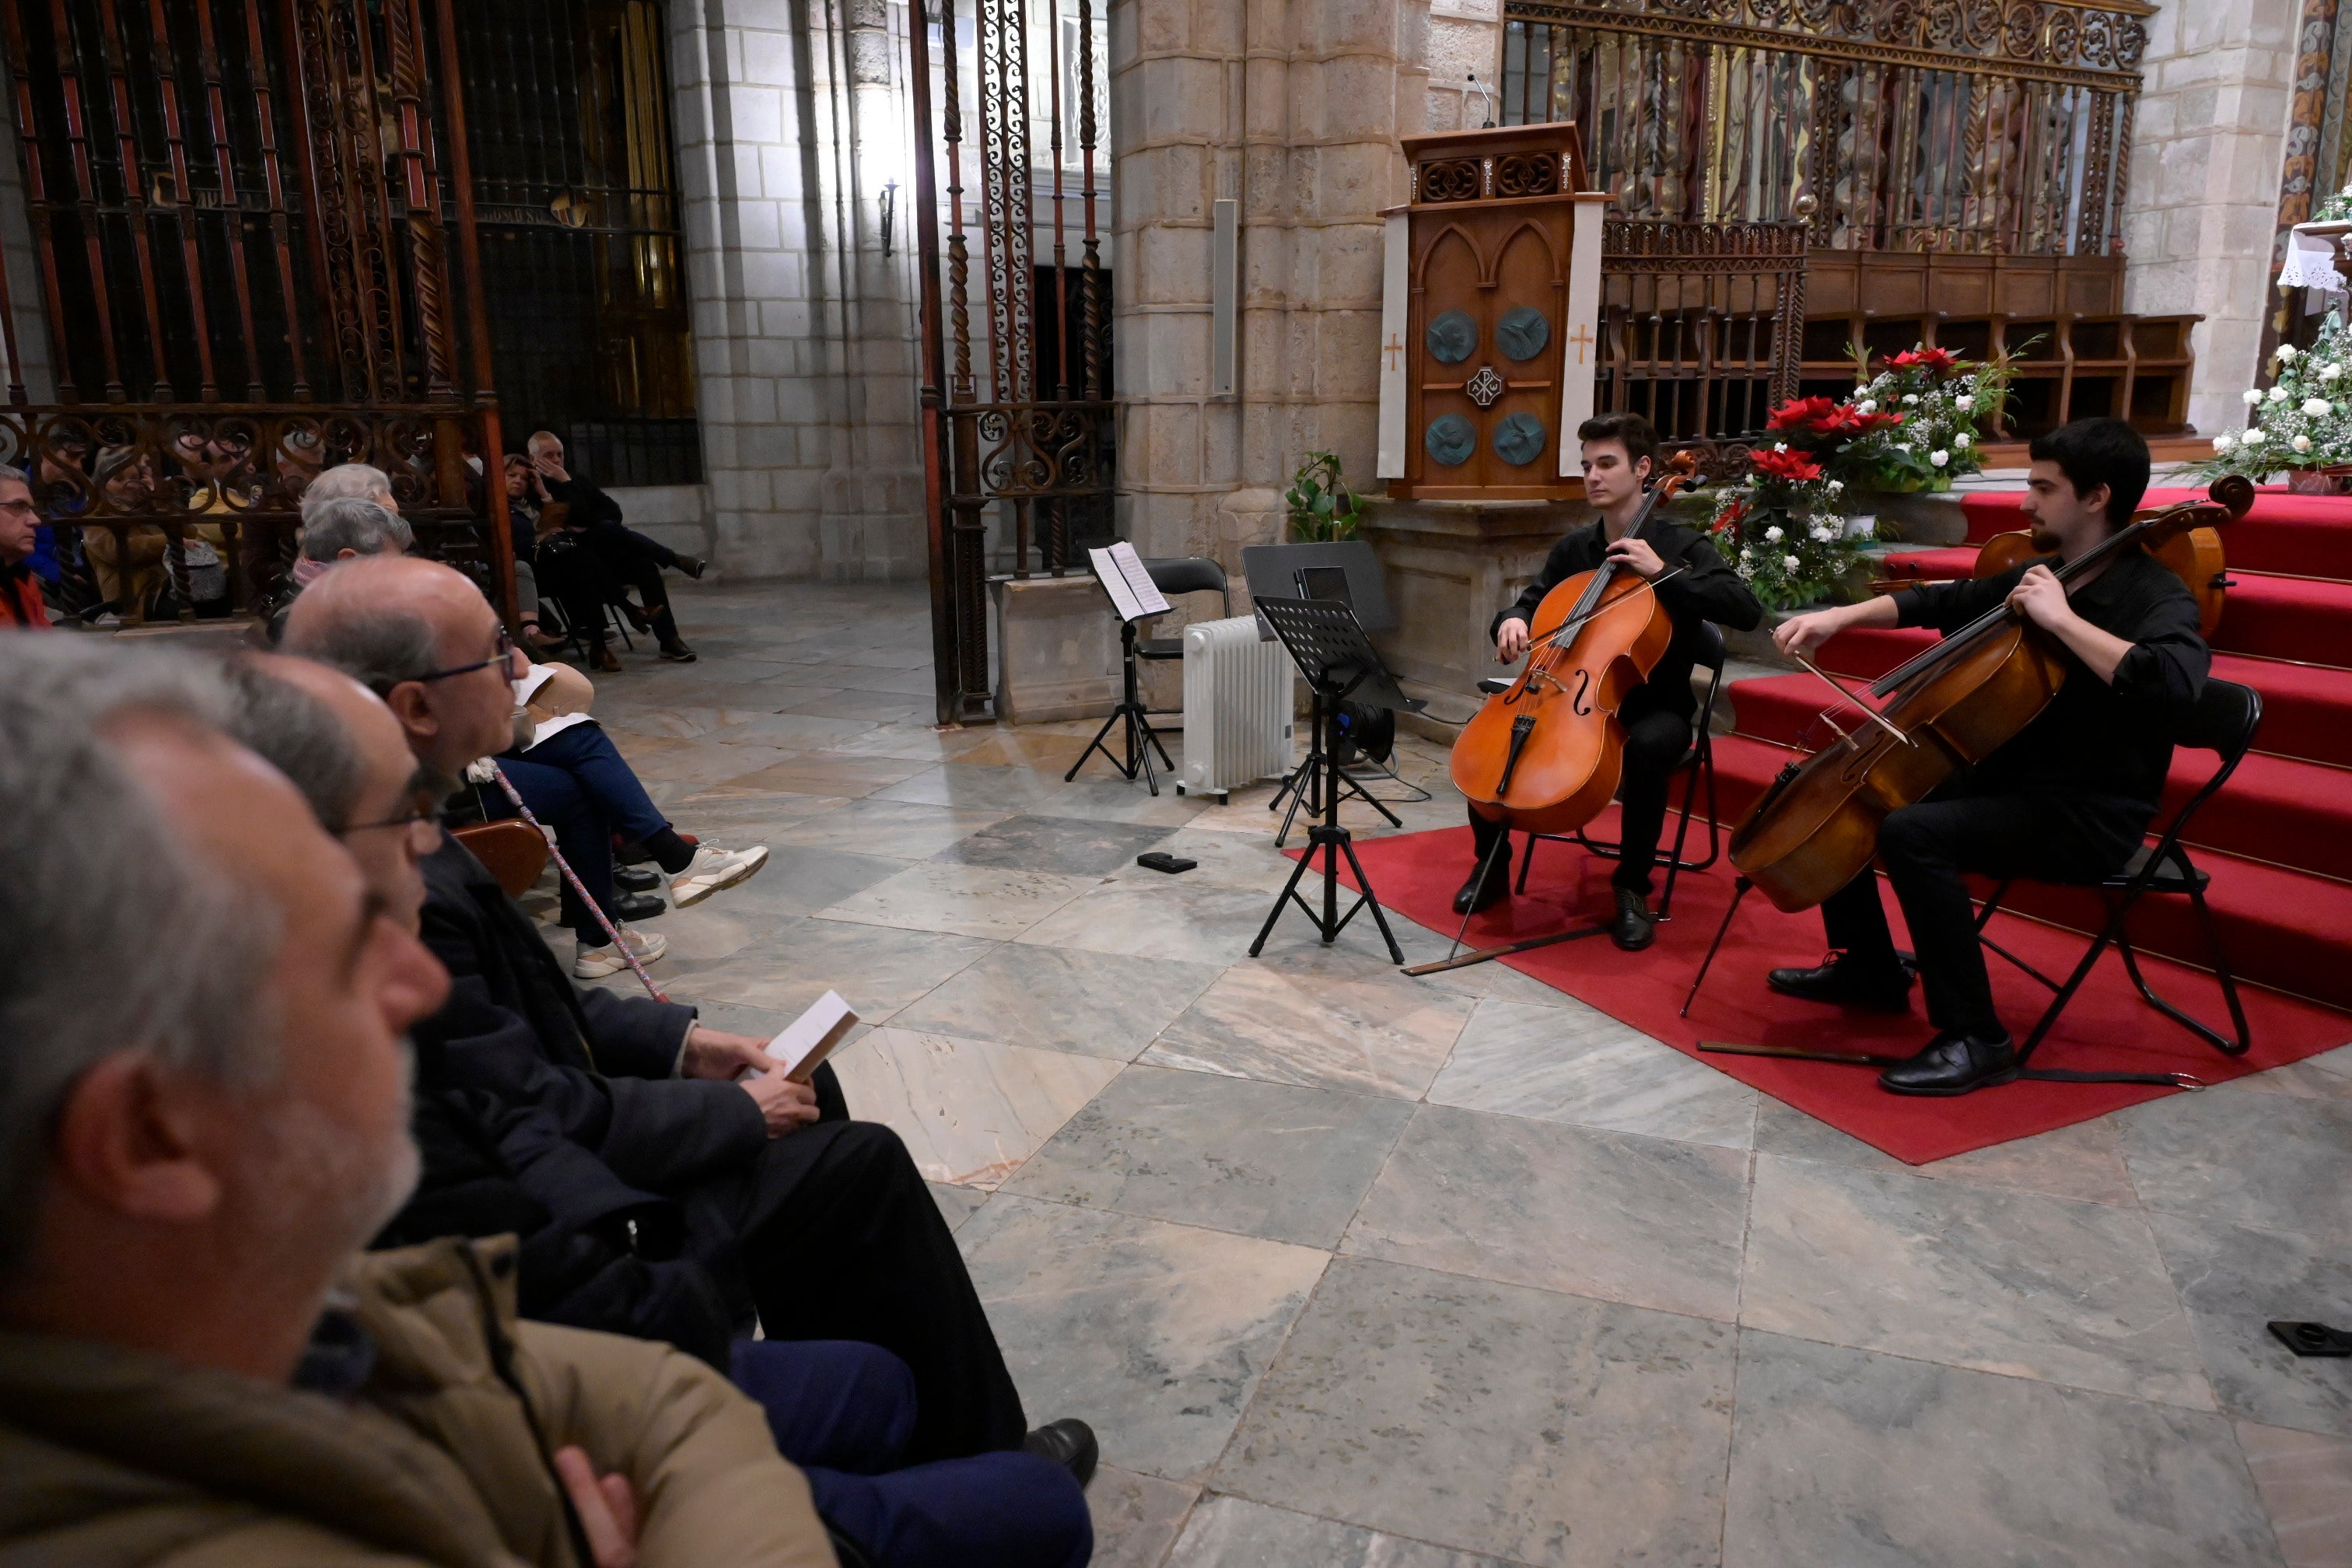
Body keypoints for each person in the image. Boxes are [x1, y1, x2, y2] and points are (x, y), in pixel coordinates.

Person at [219, 652, 1096, 1568]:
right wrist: (729, 1129)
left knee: (808, 1090)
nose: (523, 665)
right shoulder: (349, 1025)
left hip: (573, 1218)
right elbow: (535, 1133)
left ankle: (924, 1453)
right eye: (495, 651)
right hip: (593, 1244)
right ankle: (956, 1455)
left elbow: (544, 1029)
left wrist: (684, 1045)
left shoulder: (380, 902)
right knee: (853, 1170)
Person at [0, 635, 842, 1567]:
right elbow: (543, 1153)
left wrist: (681, 1049)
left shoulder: (294, 1294)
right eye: (345, 947)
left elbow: (653, 1404)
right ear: (151, 1136)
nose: (418, 985)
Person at [1766, 417, 2207, 1095]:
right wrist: (1839, 618)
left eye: (2042, 487)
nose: (2025, 502)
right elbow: (1944, 600)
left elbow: (2175, 685)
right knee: (1860, 789)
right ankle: (1872, 970)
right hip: (2010, 782)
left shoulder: (2155, 595)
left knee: (1913, 832)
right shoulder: (2051, 572)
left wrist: (2063, 620)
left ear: (2097, 497)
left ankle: (1978, 1037)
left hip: (2088, 809)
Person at [1456, 411, 1763, 950]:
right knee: (1492, 733)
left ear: (1644, 469)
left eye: (1606, 464)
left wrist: (1663, 573)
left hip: (1654, 706)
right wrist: (1512, 619)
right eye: (1586, 466)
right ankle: (1491, 866)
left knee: (1648, 748)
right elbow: (1530, 603)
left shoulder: (1680, 545)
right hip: (1567, 694)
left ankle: (1631, 886)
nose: (1592, 476)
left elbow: (1744, 609)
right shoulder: (1576, 549)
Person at [527, 429, 704, 663]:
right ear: (533, 459)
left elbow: (613, 511)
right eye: (549, 455)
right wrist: (567, 488)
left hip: (602, 551)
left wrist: (584, 520)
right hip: (573, 560)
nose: (557, 460)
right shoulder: (535, 490)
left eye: (560, 454)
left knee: (643, 564)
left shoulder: (576, 480)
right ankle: (674, 559)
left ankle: (669, 639)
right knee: (607, 530)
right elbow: (573, 519)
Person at [1, 470, 49, 628]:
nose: (35, 520)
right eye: (17, 507)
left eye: (29, 509)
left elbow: (46, 646)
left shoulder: (21, 576)